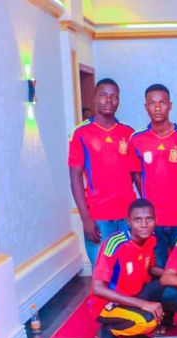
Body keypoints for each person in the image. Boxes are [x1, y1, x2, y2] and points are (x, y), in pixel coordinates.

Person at [128, 83, 177, 268]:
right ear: (146, 106)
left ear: (170, 105)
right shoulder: (137, 139)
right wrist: (148, 200)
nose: (157, 108)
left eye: (162, 103)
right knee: (156, 268)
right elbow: (136, 175)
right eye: (152, 103)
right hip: (152, 220)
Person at [68, 78, 136, 266]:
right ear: (95, 98)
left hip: (127, 215)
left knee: (128, 269)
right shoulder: (81, 133)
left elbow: (135, 175)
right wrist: (86, 219)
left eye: (114, 96)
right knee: (102, 270)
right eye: (104, 95)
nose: (109, 100)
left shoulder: (128, 133)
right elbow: (75, 178)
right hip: (98, 216)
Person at [87, 198, 164, 338]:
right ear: (129, 222)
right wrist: (144, 304)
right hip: (107, 304)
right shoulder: (115, 243)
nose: (144, 224)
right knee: (148, 321)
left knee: (165, 282)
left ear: (155, 220)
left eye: (149, 219)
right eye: (138, 220)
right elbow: (97, 288)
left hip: (132, 296)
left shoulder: (151, 240)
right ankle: (108, 331)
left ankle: (134, 331)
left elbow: (151, 268)